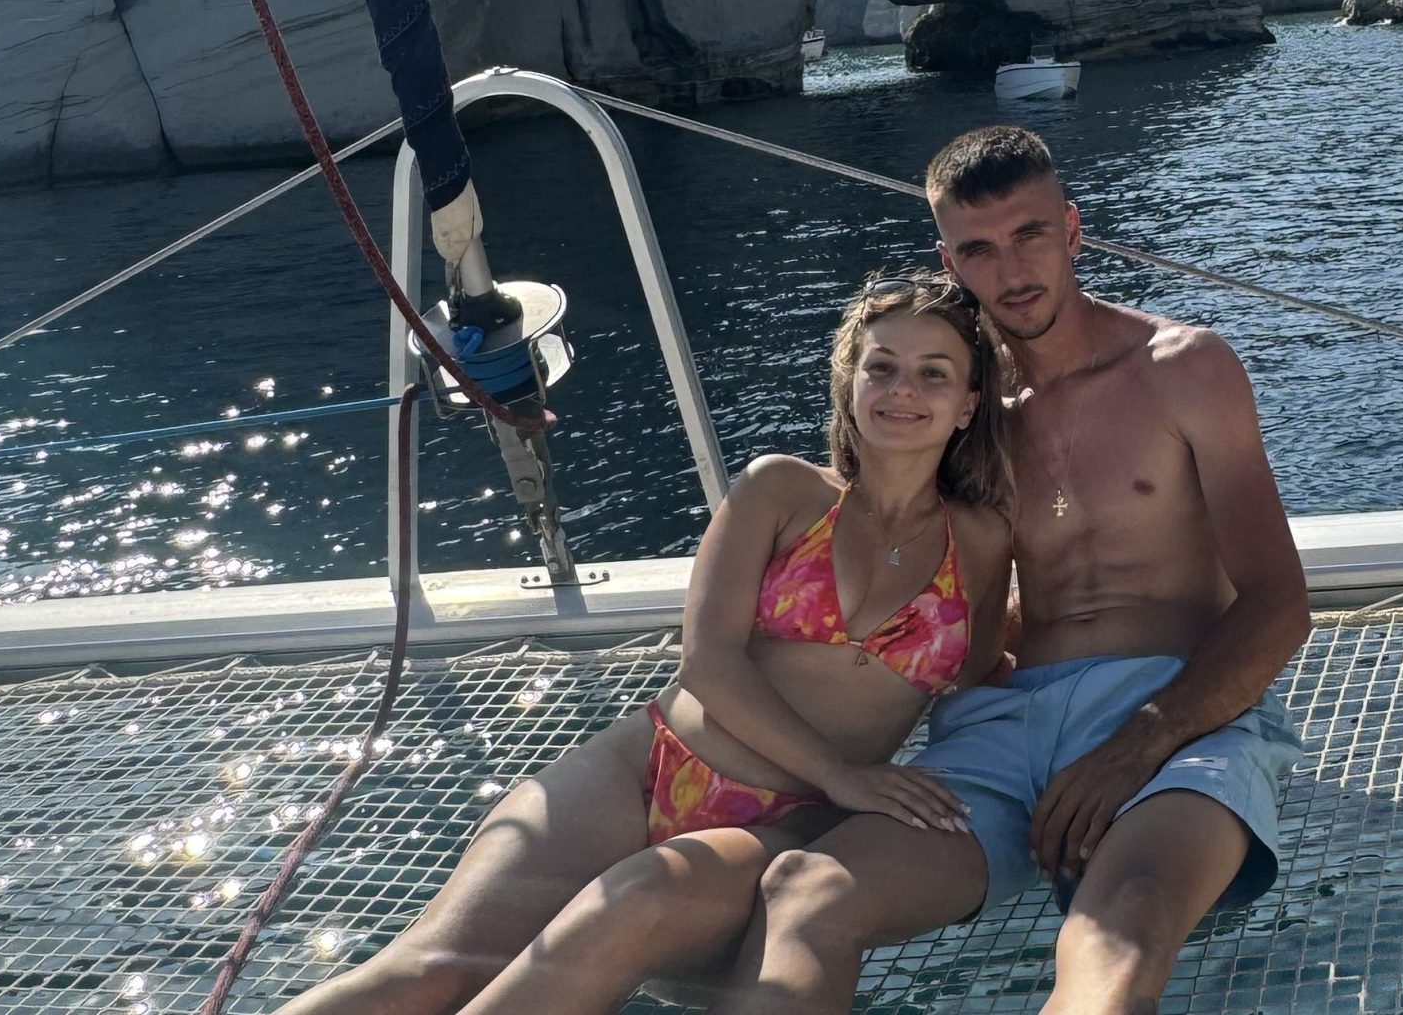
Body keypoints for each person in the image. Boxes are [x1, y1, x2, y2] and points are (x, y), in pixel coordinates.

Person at [277, 273, 1014, 1015]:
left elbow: (982, 675)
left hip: (787, 823)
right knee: (433, 967)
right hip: (645, 767)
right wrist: (843, 773)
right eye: (881, 365)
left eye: (933, 374)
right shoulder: (782, 492)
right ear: (849, 377)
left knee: (605, 926)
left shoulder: (980, 543)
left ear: (967, 405)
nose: (901, 389)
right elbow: (707, 661)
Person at [712, 126, 1311, 1015]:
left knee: (1121, 924)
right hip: (1005, 722)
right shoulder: (958, 412)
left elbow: (1279, 604)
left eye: (1030, 234)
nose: (1012, 268)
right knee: (805, 894)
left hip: (1172, 710)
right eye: (979, 249)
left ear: (1072, 230)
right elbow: (886, 554)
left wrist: (1137, 743)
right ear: (949, 261)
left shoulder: (1184, 370)